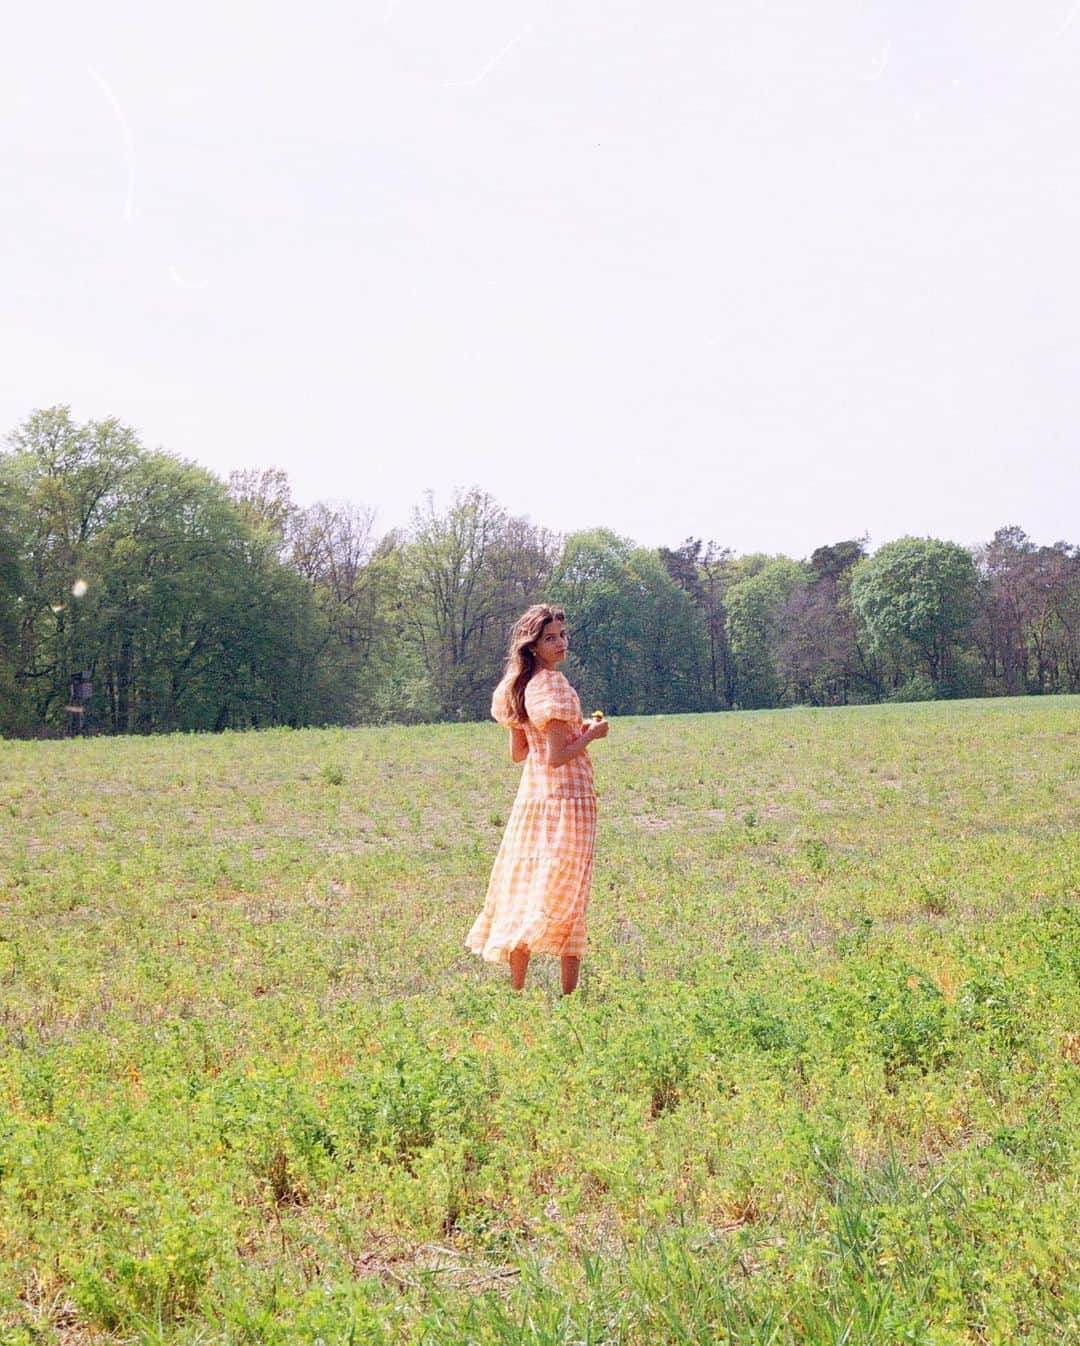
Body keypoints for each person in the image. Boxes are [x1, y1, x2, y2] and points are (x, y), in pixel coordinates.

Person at [466, 604, 609, 994]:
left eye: (562, 635)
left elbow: (520, 752)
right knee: (569, 889)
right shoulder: (554, 687)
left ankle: (517, 990)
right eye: (550, 638)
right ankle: (569, 997)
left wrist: (567, 733)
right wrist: (591, 734)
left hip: (533, 798)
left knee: (525, 885)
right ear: (533, 645)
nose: (561, 643)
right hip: (569, 799)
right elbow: (559, 756)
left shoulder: (519, 687)